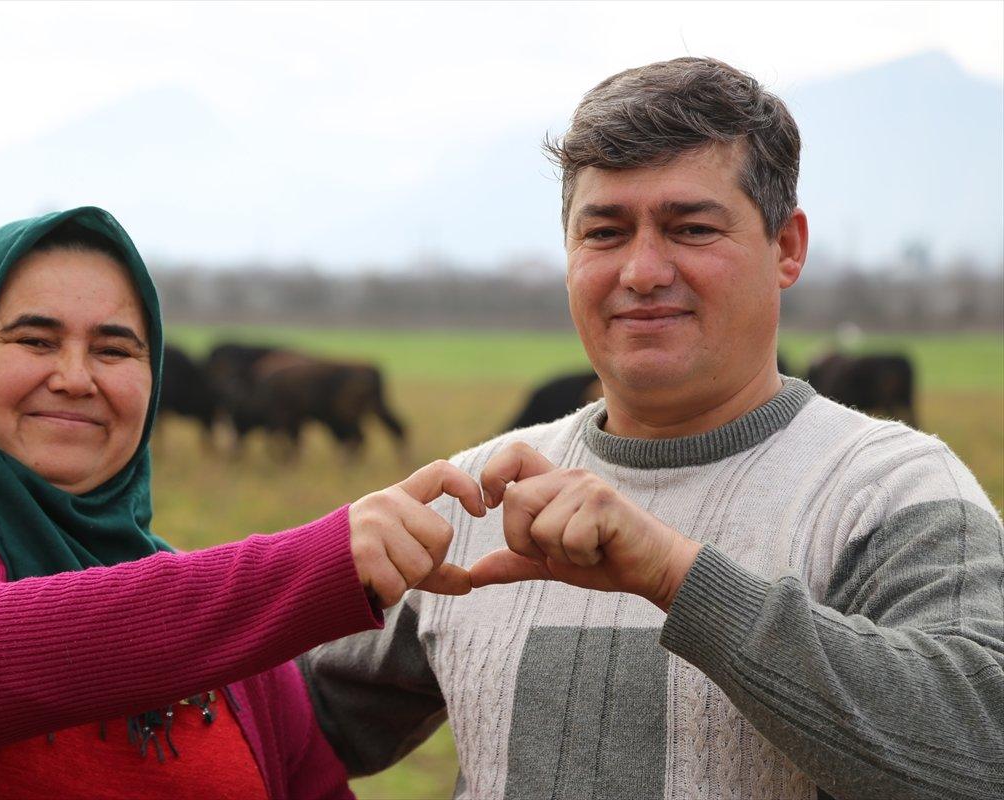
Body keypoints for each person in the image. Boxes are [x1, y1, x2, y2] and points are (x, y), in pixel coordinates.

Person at [301, 57, 1004, 799]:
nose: (641, 270)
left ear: (787, 247)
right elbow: (268, 735)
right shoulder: (477, 501)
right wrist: (300, 574)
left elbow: (981, 753)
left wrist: (678, 578)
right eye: (604, 231)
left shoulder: (893, 492)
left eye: (691, 228)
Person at [0, 206, 487, 799]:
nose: (75, 378)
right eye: (35, 340)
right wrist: (318, 565)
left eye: (115, 349)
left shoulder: (244, 660)